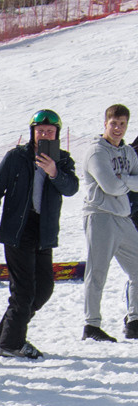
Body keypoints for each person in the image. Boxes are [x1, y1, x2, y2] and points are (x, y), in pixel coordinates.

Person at [0, 109, 78, 360]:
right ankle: (11, 344)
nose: (44, 134)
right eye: (40, 131)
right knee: (23, 290)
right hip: (17, 229)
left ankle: (4, 337)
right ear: (32, 132)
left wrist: (54, 171)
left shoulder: (63, 160)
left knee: (44, 288)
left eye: (49, 131)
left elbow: (71, 188)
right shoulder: (17, 157)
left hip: (43, 230)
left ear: (56, 134)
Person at [80, 103, 138, 342]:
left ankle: (134, 320)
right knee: (97, 272)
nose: (118, 128)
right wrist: (127, 181)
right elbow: (110, 186)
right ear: (105, 123)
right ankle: (91, 325)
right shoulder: (96, 152)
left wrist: (122, 179)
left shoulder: (129, 152)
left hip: (123, 217)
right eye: (114, 123)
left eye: (122, 124)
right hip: (100, 215)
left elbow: (124, 183)